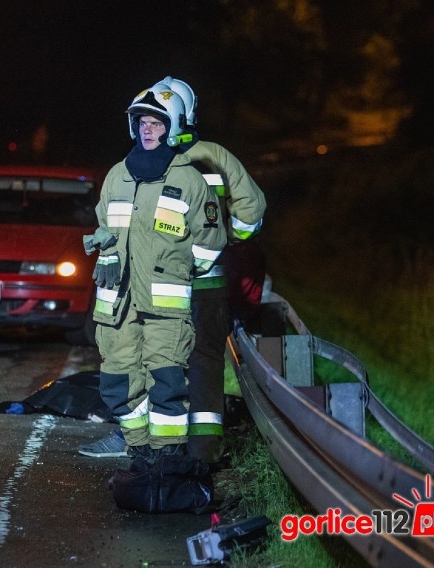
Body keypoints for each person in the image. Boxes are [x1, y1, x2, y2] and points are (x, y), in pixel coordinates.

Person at [79, 76, 266, 464]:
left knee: (164, 368)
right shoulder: (212, 155)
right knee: (196, 368)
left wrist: (207, 241)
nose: (149, 129)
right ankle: (196, 454)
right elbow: (250, 214)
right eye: (143, 122)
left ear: (173, 119)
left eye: (156, 121)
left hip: (185, 285)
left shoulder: (193, 163)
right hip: (203, 286)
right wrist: (228, 239)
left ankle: (174, 454)